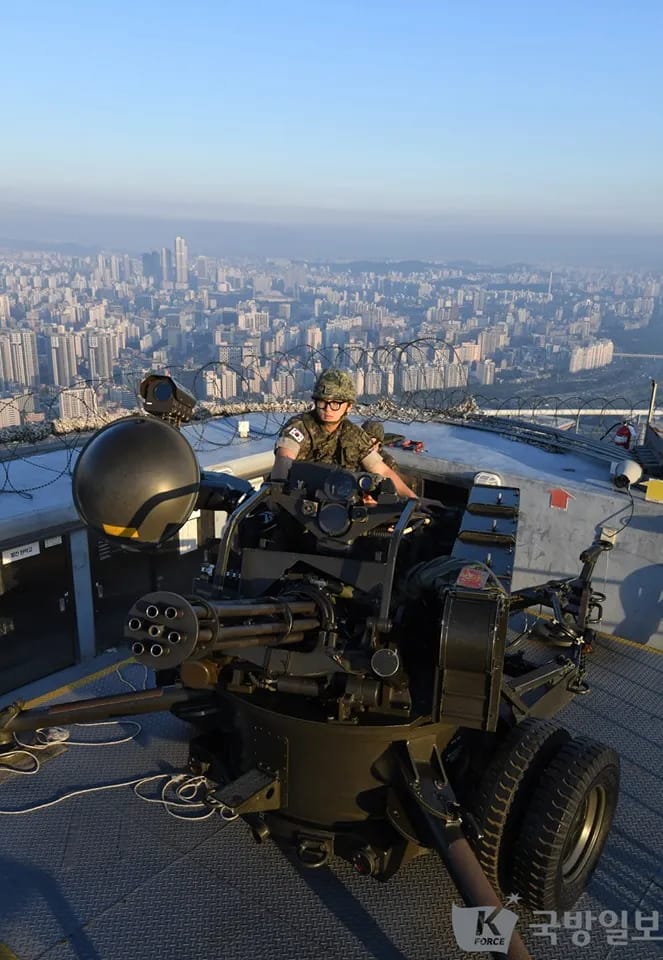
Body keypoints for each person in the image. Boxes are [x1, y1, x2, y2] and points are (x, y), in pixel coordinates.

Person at [272, 368, 417, 499]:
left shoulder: (354, 435)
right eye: (323, 402)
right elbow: (284, 459)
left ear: (348, 407)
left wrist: (415, 501)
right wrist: (277, 493)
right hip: (298, 499)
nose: (328, 409)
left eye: (335, 403)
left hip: (338, 502)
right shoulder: (300, 426)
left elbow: (383, 471)